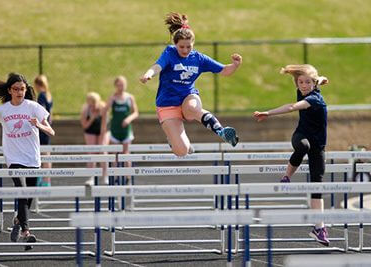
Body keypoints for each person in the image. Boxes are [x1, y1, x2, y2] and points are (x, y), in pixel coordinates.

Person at [140, 12, 242, 156]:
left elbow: (224, 70)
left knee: (192, 107)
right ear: (175, 44)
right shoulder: (170, 53)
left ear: (193, 44)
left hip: (188, 98)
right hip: (167, 105)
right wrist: (149, 74)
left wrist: (235, 65)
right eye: (181, 47)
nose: (185, 50)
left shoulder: (198, 58)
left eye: (189, 47)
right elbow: (158, 66)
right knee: (182, 151)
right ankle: (174, 140)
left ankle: (221, 131)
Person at [253, 64, 329, 246]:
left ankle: (319, 228)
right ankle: (287, 176)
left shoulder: (314, 99)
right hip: (301, 136)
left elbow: (291, 107)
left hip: (319, 145)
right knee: (303, 146)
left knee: (317, 185)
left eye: (307, 83)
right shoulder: (308, 87)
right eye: (300, 82)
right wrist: (322, 79)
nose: (303, 86)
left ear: (313, 84)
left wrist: (268, 113)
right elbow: (319, 79)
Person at [0, 73, 55, 250]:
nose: (19, 92)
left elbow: (51, 131)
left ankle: (18, 220)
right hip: (13, 158)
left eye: (22, 89)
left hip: (32, 158)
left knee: (28, 197)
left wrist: (39, 125)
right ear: (9, 90)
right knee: (22, 191)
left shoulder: (33, 107)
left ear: (25, 90)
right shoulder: (3, 110)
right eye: (16, 89)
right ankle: (26, 232)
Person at [104, 76, 139, 172]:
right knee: (114, 154)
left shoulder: (130, 98)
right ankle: (115, 177)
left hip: (126, 130)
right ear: (115, 86)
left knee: (126, 153)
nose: (121, 87)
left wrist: (128, 119)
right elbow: (105, 111)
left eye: (122, 85)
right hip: (115, 129)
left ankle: (127, 177)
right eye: (119, 85)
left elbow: (136, 113)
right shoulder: (113, 98)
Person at [80, 92, 108, 185]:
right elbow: (84, 126)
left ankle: (105, 176)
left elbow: (104, 126)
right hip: (90, 130)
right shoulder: (85, 109)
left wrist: (101, 141)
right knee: (91, 152)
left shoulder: (103, 107)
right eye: (91, 104)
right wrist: (92, 118)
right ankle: (91, 177)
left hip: (102, 130)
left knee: (103, 151)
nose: (93, 106)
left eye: (94, 104)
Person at [34, 74, 53, 186]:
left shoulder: (41, 96)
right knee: (47, 155)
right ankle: (47, 180)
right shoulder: (49, 95)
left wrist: (40, 125)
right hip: (47, 127)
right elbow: (51, 113)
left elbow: (42, 112)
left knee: (41, 154)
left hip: (42, 129)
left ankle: (41, 179)